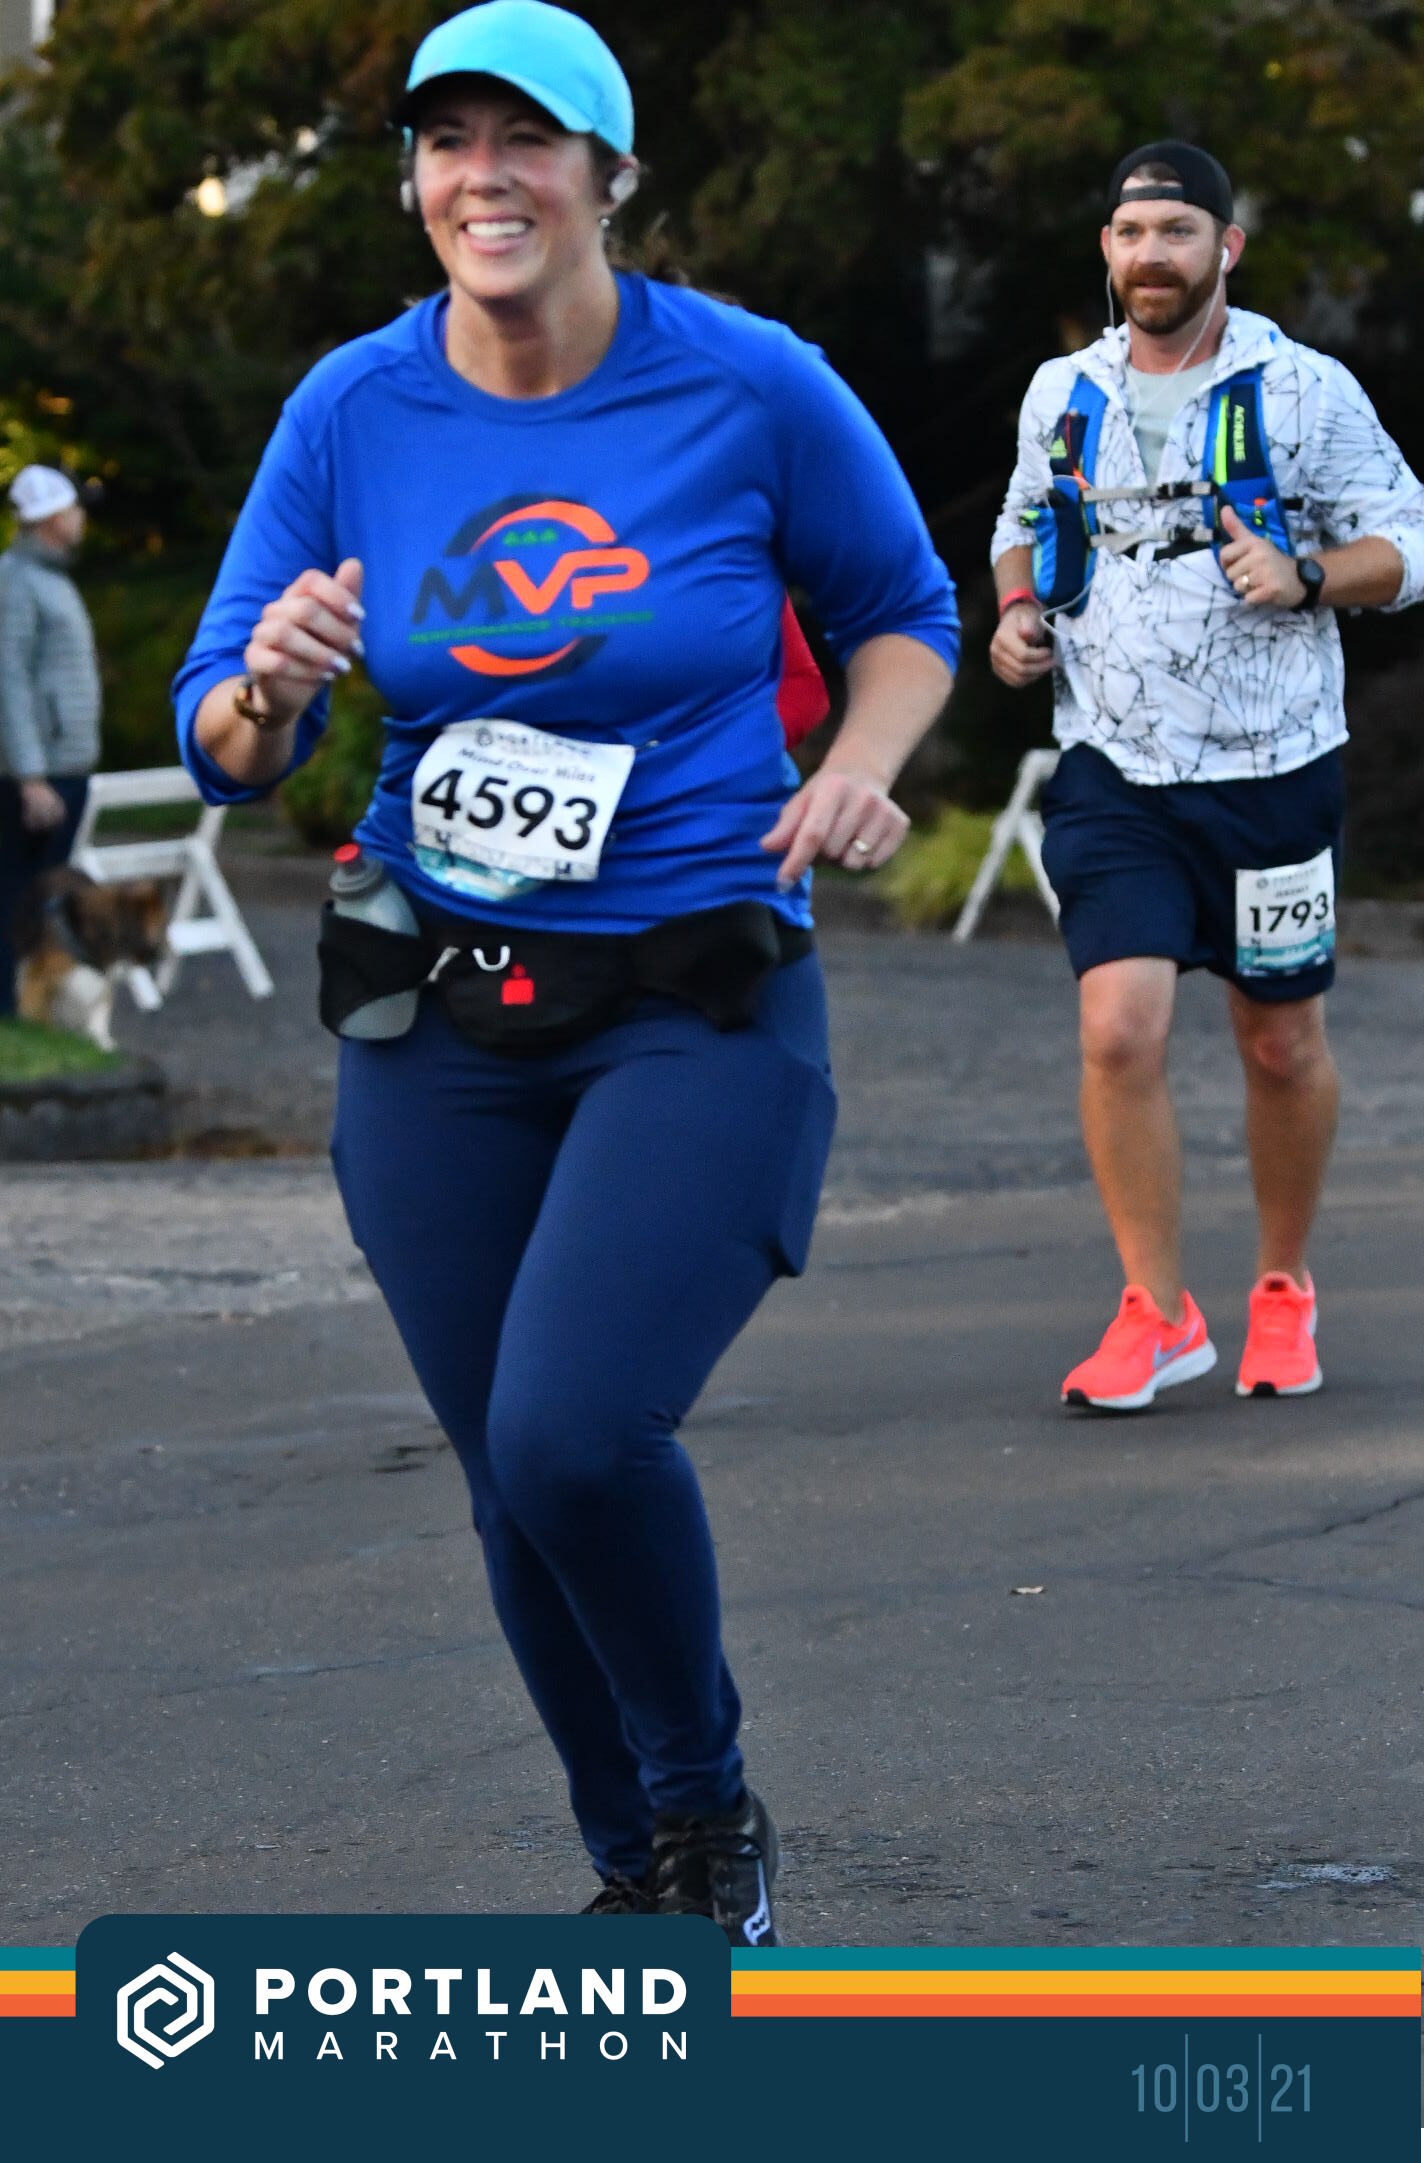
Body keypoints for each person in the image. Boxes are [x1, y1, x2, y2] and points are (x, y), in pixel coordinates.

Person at [173, 0, 957, 1941]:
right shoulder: (352, 409)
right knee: (506, 1475)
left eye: (528, 139)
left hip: (695, 997)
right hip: (435, 1012)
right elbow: (223, 733)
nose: (485, 176)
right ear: (414, 182)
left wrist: (859, 765)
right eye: (449, 142)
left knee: (572, 1430)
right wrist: (269, 678)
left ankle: (705, 1810)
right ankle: (643, 1869)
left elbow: (902, 611)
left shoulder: (750, 385)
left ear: (610, 176)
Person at [990, 140, 1424, 1412]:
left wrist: (1305, 576)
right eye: (1131, 234)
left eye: (1176, 232)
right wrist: (1013, 614)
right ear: (1106, 250)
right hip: (1113, 767)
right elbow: (1022, 525)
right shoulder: (1063, 390)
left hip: (1271, 770)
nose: (1151, 256)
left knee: (1277, 1043)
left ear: (1224, 248)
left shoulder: (1303, 390)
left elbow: (1409, 541)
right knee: (1116, 1028)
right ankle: (1156, 1311)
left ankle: (1280, 1286)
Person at [0, 465, 101, 1017]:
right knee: (18, 894)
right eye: (73, 508)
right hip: (39, 775)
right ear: (51, 518)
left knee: (44, 894)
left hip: (65, 765)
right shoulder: (16, 580)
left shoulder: (51, 578)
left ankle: (32, 1008)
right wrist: (30, 776)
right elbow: (8, 678)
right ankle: (9, 1010)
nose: (82, 517)